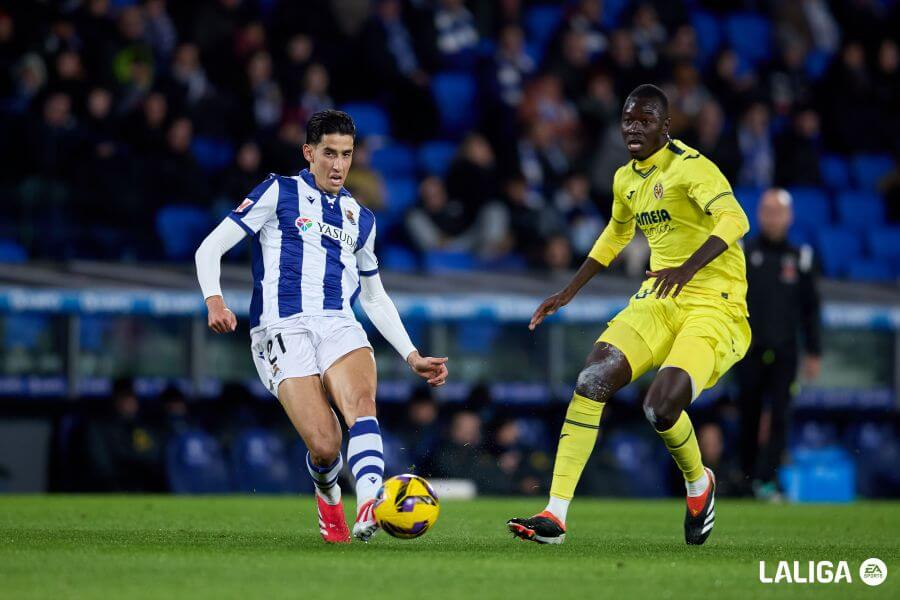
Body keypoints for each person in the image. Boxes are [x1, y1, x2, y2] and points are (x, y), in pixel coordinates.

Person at [508, 85, 751, 546]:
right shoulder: (626, 178)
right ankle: (554, 515)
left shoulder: (692, 168)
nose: (633, 129)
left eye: (644, 120)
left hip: (714, 303)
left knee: (660, 408)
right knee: (590, 382)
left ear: (666, 124)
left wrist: (687, 267)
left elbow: (736, 219)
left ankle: (699, 484)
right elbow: (615, 235)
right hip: (657, 298)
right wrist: (568, 291)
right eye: (627, 120)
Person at [194, 110, 448, 543]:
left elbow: (374, 295)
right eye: (329, 153)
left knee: (361, 403)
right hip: (281, 329)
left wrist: (411, 354)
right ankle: (329, 496)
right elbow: (210, 247)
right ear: (309, 153)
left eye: (346, 155)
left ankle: (369, 502)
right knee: (325, 444)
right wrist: (214, 300)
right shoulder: (278, 192)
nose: (338, 165)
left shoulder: (361, 218)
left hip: (338, 324)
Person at [738, 188, 821, 501]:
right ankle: (746, 478)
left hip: (786, 351)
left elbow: (810, 309)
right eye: (767, 211)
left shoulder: (801, 258)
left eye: (778, 212)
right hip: (748, 350)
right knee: (748, 413)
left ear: (789, 217)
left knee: (781, 416)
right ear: (759, 215)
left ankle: (768, 480)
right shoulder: (744, 253)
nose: (772, 217)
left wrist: (814, 351)